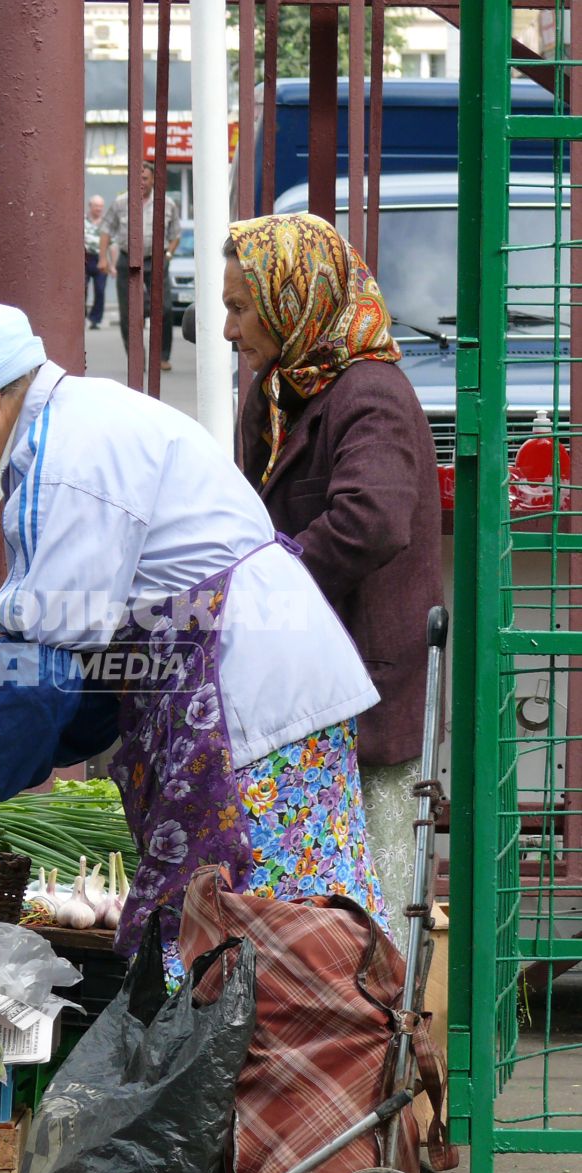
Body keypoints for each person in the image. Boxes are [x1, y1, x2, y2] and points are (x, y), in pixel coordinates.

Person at [0, 299, 391, 985]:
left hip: (247, 712)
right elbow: (88, 667)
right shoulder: (79, 424)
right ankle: (329, 1082)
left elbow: (40, 662)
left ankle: (288, 1086)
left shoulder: (65, 460)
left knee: (251, 941)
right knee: (300, 935)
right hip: (270, 692)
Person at [223, 213, 442, 948]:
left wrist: (267, 586)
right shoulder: (279, 390)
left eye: (239, 307)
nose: (228, 329)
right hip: (303, 700)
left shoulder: (368, 393)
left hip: (365, 706)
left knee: (368, 929)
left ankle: (389, 1062)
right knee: (309, 926)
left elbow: (374, 519)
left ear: (293, 300)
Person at [99, 162, 179, 369]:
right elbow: (106, 230)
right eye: (137, 178)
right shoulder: (119, 203)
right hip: (128, 259)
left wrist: (168, 254)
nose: (140, 183)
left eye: (144, 178)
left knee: (165, 308)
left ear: (153, 180)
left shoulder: (167, 203)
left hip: (156, 260)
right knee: (129, 313)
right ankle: (137, 359)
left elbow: (175, 234)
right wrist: (103, 258)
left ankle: (162, 356)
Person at [83, 194, 107, 330]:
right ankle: (82, 316)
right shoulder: (82, 220)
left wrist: (112, 264)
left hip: (101, 258)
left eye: (101, 206)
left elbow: (113, 244)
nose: (99, 209)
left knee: (100, 290)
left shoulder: (106, 223)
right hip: (85, 258)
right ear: (90, 206)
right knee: (82, 290)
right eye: (96, 206)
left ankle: (95, 319)